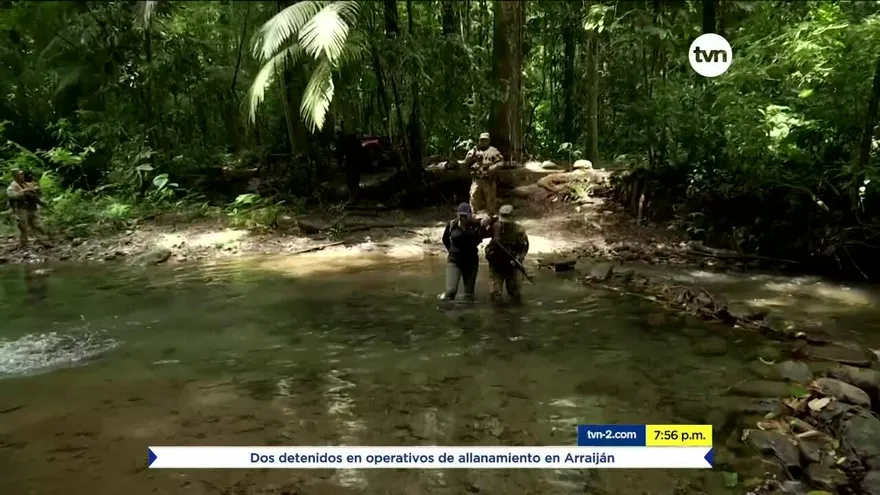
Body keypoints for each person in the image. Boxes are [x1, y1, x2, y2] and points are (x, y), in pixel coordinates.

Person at [439, 202, 488, 302]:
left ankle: (467, 314)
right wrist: (452, 251)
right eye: (460, 215)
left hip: (471, 263)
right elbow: (445, 239)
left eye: (465, 215)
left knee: (468, 296)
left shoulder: (476, 226)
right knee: (451, 291)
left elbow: (491, 227)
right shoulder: (452, 225)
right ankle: (444, 303)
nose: (463, 218)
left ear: (470, 215)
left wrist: (487, 220)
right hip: (454, 261)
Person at [483, 204, 529, 304]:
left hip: (512, 264)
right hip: (496, 264)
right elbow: (480, 228)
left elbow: (524, 248)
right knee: (495, 295)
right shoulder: (494, 226)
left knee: (515, 294)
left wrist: (518, 259)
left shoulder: (519, 230)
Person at [464, 132, 504, 215]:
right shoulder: (475, 150)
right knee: (474, 199)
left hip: (488, 180)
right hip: (476, 180)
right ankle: (473, 216)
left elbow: (501, 162)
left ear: (488, 141)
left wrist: (493, 168)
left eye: (485, 140)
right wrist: (472, 153)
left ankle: (491, 218)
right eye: (481, 140)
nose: (483, 142)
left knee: (490, 201)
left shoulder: (493, 151)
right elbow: (466, 162)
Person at [6, 169, 47, 248]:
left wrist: (34, 189)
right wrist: (25, 191)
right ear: (15, 176)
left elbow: (36, 192)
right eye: (20, 174)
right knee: (23, 227)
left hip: (32, 208)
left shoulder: (27, 184)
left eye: (22, 174)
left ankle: (45, 241)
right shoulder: (12, 186)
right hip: (22, 209)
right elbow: (12, 196)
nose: (22, 176)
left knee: (38, 225)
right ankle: (24, 244)